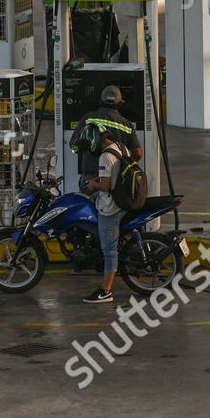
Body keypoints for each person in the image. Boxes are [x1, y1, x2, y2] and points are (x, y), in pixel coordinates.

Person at [78, 122, 128, 304]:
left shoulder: (105, 157)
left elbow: (106, 186)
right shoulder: (120, 147)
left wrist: (93, 184)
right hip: (123, 201)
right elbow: (115, 174)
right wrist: (98, 179)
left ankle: (106, 291)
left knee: (109, 250)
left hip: (111, 207)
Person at [75, 85, 141, 176]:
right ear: (120, 104)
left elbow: (74, 146)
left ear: (100, 101)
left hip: (91, 178)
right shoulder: (127, 125)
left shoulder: (88, 119)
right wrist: (123, 166)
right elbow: (138, 154)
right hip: (116, 179)